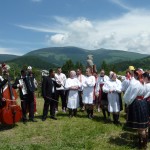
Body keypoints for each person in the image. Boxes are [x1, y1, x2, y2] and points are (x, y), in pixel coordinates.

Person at [123, 69, 149, 149]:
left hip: (137, 104)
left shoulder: (136, 84)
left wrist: (127, 102)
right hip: (143, 103)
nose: (133, 76)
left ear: (137, 75)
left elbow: (130, 95)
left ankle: (143, 144)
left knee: (140, 127)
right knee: (142, 126)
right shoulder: (143, 83)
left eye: (135, 74)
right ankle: (142, 142)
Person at [143, 72, 150, 139]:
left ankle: (147, 133)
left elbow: (143, 94)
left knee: (147, 117)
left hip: (147, 102)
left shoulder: (146, 85)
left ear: (146, 78)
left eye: (143, 77)